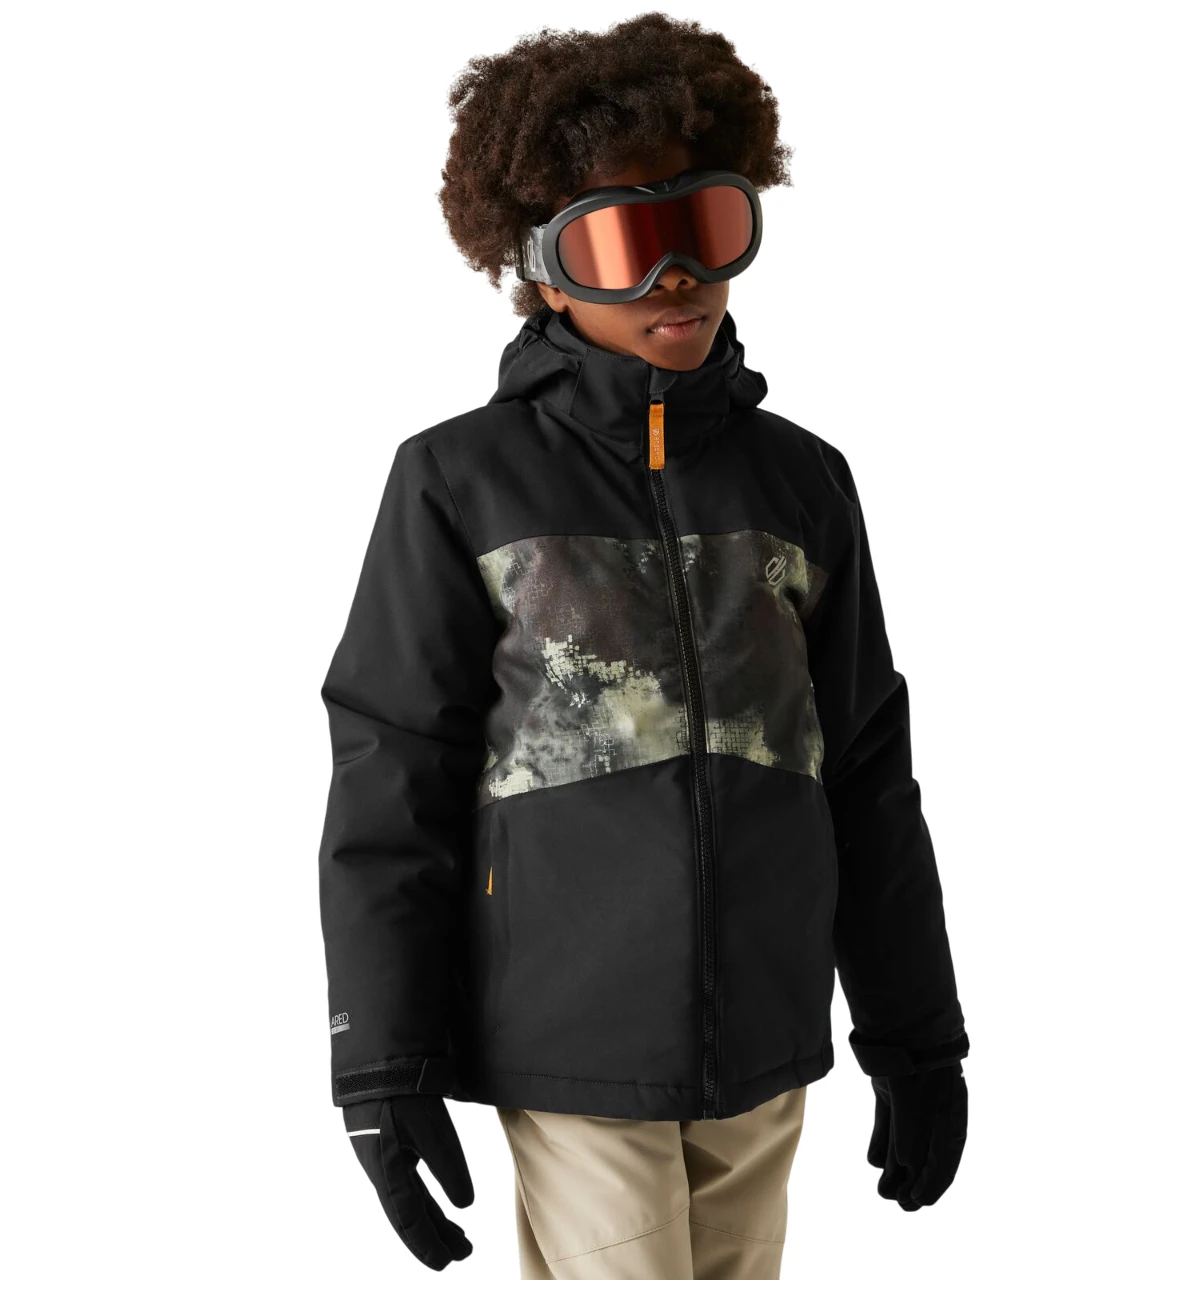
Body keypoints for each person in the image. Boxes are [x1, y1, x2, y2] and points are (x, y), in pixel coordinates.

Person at [318, 12, 969, 1281]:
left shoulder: (802, 483)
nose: (675, 278)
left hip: (765, 1039)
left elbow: (866, 771)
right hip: (574, 1038)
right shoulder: (460, 483)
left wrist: (916, 1034)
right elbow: (393, 776)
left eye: (706, 229)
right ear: (543, 269)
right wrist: (380, 1063)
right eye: (621, 244)